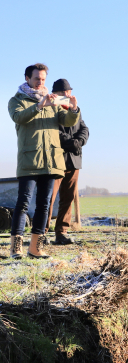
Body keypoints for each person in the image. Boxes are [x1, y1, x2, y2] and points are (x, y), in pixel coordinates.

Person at [8, 64, 80, 259]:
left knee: (44, 205)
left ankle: (35, 248)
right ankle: (16, 248)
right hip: (29, 161)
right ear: (27, 79)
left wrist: (73, 109)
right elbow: (19, 117)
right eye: (37, 79)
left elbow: (68, 121)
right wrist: (40, 106)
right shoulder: (17, 101)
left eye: (43, 79)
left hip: (51, 161)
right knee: (23, 204)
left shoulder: (54, 101)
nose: (40, 83)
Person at [46, 79, 89, 245]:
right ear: (55, 94)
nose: (67, 95)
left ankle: (61, 233)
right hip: (56, 159)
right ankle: (41, 233)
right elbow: (53, 131)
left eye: (68, 92)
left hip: (74, 159)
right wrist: (71, 143)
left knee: (68, 198)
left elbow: (84, 128)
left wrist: (79, 141)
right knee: (49, 198)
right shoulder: (50, 108)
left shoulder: (75, 110)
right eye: (63, 93)